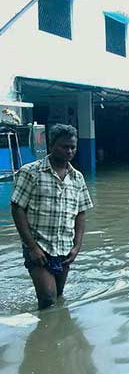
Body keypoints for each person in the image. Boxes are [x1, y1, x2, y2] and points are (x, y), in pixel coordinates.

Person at [11, 124, 93, 310]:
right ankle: (42, 337)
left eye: (73, 147)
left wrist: (77, 246)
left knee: (58, 296)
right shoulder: (31, 172)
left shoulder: (77, 177)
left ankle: (58, 334)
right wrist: (32, 247)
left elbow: (81, 212)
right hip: (39, 247)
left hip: (64, 249)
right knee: (48, 300)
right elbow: (17, 208)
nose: (69, 151)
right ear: (51, 146)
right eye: (64, 146)